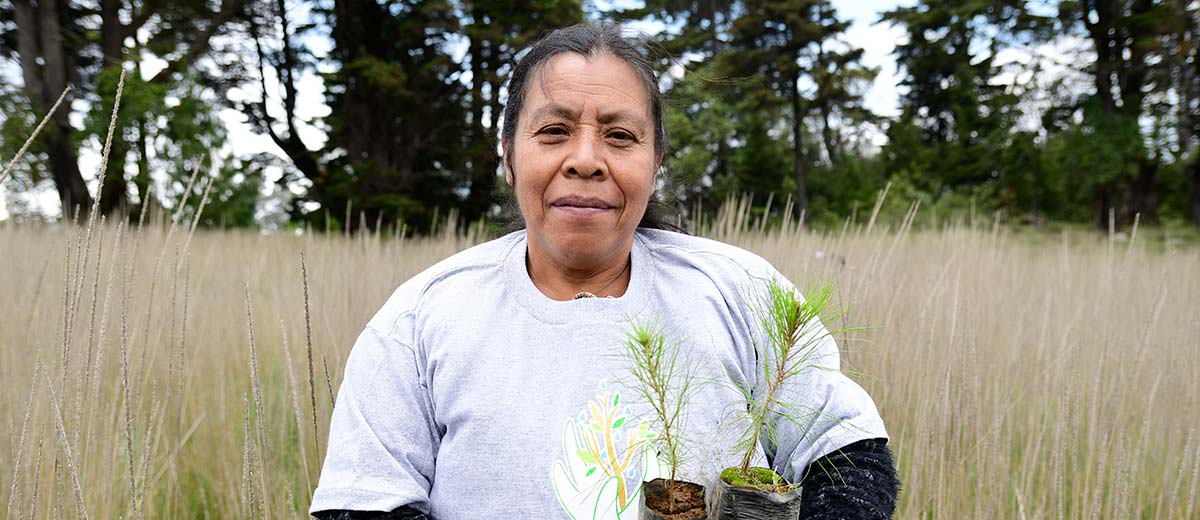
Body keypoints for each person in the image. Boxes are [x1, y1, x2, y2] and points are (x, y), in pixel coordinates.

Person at [310, 23, 898, 520]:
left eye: (620, 136)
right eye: (554, 131)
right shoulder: (418, 320)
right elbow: (364, 503)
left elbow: (846, 450)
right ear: (509, 158)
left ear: (655, 163)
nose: (587, 160)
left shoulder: (744, 292)